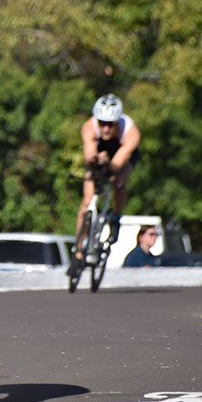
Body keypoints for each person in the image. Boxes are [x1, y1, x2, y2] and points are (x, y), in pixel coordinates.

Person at [70, 94, 141, 271]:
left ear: (118, 122)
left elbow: (117, 165)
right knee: (87, 201)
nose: (106, 129)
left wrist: (108, 164)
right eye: (102, 123)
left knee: (118, 180)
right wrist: (94, 161)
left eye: (111, 124)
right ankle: (78, 249)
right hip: (100, 152)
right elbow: (88, 157)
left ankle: (116, 216)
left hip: (121, 155)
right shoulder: (89, 127)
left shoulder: (131, 132)